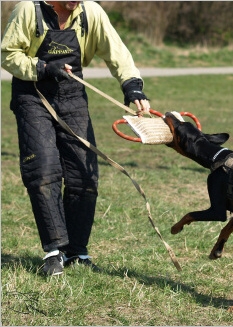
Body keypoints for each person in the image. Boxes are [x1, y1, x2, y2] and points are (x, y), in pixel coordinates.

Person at [1, 1, 151, 276]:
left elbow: (117, 52)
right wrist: (44, 67)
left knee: (84, 174)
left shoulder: (90, 13)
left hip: (72, 94)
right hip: (32, 94)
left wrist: (132, 87)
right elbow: (7, 54)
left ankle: (77, 251)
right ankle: (54, 252)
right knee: (43, 171)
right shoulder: (27, 10)